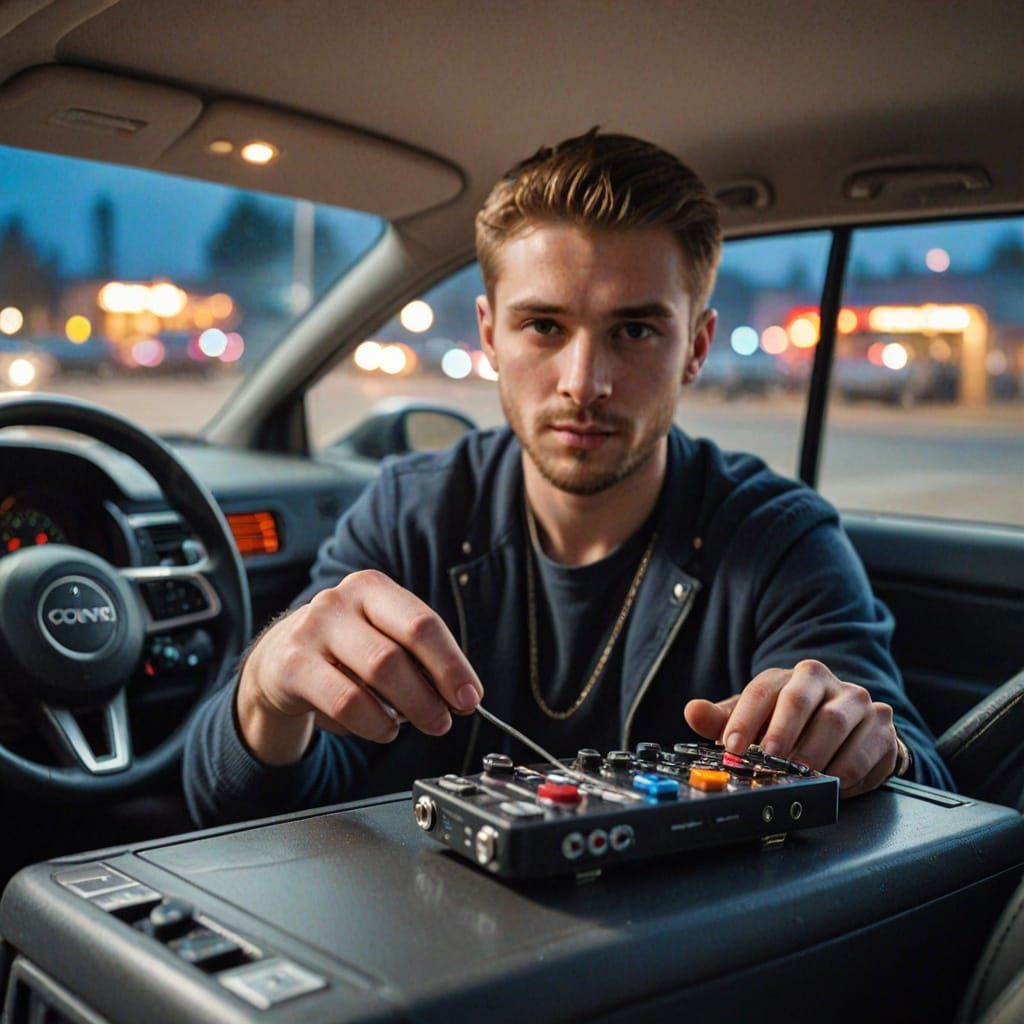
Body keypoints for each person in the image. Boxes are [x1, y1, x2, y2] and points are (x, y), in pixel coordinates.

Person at [183, 130, 953, 826]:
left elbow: (925, 785)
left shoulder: (775, 534)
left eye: (636, 330)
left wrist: (865, 748)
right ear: (490, 334)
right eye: (544, 326)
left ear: (696, 346)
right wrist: (265, 693)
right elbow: (240, 796)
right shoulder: (410, 510)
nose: (584, 382)